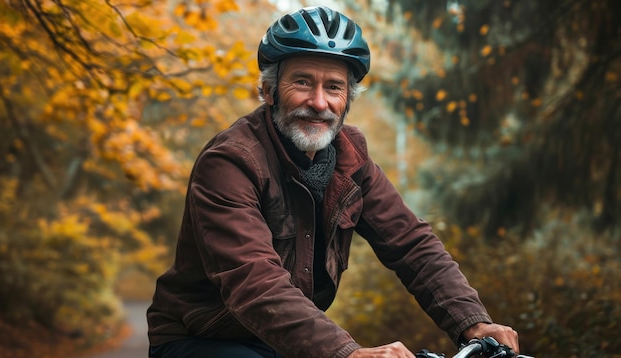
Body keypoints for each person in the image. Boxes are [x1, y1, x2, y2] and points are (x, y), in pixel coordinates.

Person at [147, 6, 519, 358]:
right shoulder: (231, 162)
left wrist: (473, 322)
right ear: (269, 92)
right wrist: (348, 352)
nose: (319, 102)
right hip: (204, 337)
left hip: (285, 337)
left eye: (334, 87)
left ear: (348, 100)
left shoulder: (351, 157)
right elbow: (254, 281)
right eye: (303, 82)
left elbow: (411, 244)